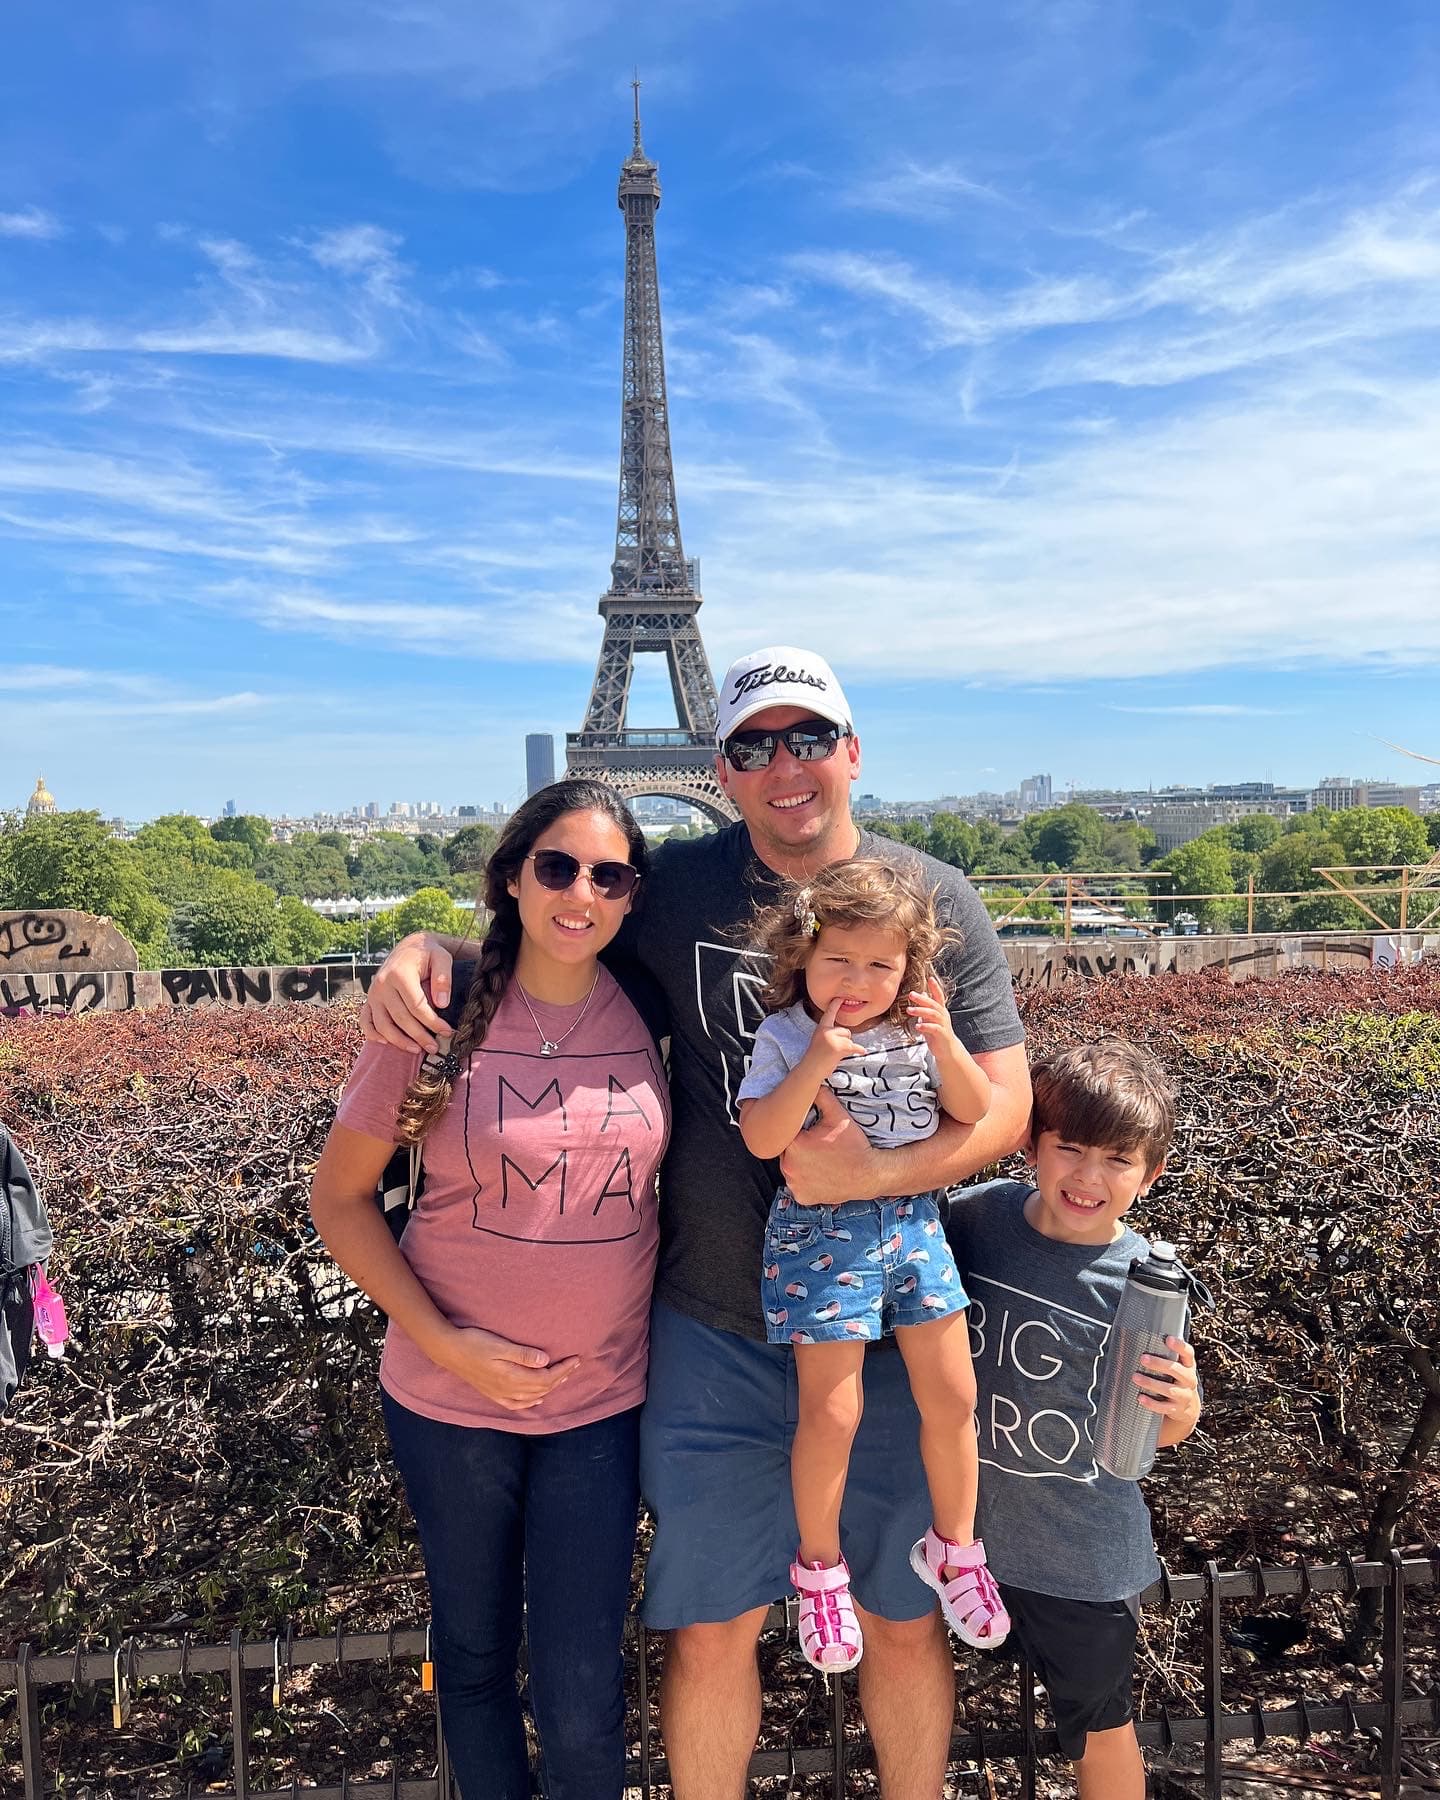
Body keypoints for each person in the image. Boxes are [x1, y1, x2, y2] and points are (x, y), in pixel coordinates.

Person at [361, 647, 1032, 1800]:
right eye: (753, 745)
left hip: (877, 1326)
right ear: (720, 769)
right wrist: (432, 949)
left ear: (853, 753)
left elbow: (1007, 1106)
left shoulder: (934, 900)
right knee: (710, 1630)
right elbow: (547, 948)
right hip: (711, 1325)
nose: (784, 765)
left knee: (905, 1616)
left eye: (808, 738)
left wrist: (871, 1177)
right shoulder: (666, 891)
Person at [309, 779, 669, 1800]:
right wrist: (450, 1344)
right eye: (556, 866)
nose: (581, 892)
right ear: (510, 877)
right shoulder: (438, 1012)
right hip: (447, 1401)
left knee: (581, 1693)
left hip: (599, 1405)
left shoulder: (649, 1007)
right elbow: (339, 1201)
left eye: (609, 875)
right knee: (469, 1661)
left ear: (633, 897)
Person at [737, 858, 1008, 1670]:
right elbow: (760, 1137)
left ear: (911, 969)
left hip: (915, 1225)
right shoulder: (786, 1033)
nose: (857, 980)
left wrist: (946, 1041)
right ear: (802, 962)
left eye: (881, 965)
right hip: (824, 1236)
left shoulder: (919, 1028)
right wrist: (817, 1058)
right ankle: (819, 1569)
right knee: (833, 1412)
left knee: (955, 1395)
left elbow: (974, 1110)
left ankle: (955, 1548)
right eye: (839, 961)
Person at [945, 1041, 1203, 1800]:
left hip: (1082, 1558)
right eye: (1071, 1148)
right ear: (1030, 1142)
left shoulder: (1147, 1281)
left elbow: (1160, 1425)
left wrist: (1184, 1411)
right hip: (957, 1546)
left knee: (1098, 1728)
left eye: (1120, 1160)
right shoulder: (977, 1217)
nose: (1089, 1178)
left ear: (1151, 1175)